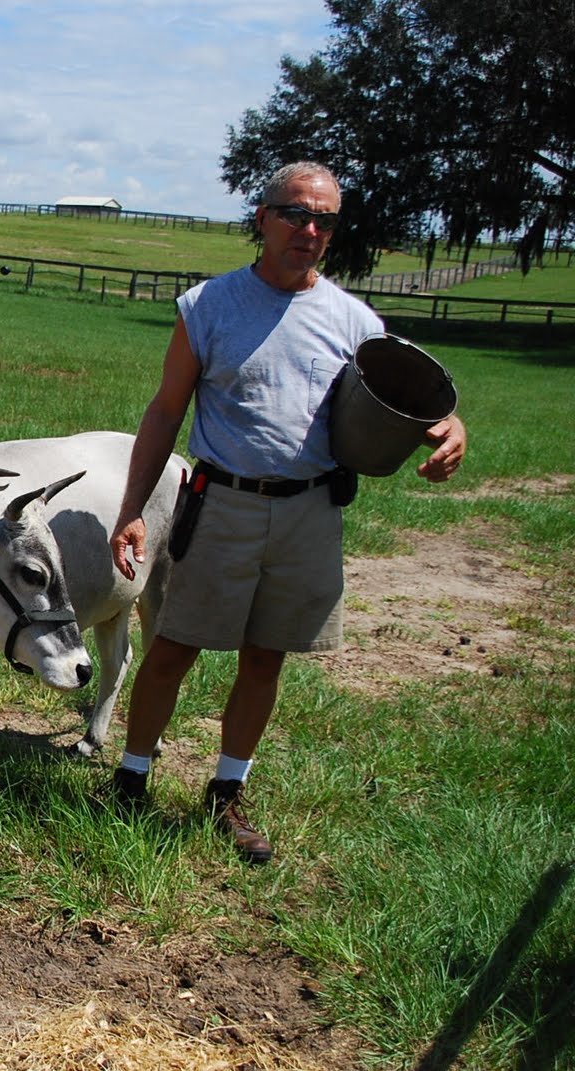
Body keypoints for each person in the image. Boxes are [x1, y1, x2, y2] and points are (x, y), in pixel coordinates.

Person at [106, 161, 467, 864]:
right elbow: (165, 410)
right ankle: (132, 774)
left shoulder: (353, 320)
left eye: (325, 219)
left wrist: (452, 426)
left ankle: (227, 792)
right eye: (297, 214)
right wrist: (132, 508)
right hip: (221, 503)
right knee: (173, 646)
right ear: (263, 218)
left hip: (309, 511)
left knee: (265, 655)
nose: (310, 230)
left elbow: (403, 398)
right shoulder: (208, 306)